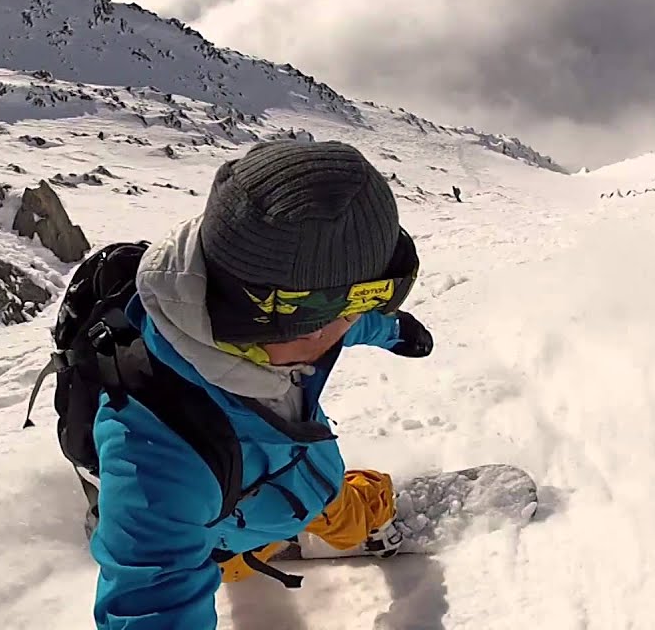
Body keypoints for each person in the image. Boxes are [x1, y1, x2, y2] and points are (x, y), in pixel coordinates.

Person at [88, 139, 434, 629]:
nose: (365, 316)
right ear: (307, 324)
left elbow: (341, 322)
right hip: (236, 515)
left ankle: (271, 535)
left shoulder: (260, 311)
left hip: (259, 497)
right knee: (348, 509)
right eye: (368, 302)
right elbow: (152, 604)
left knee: (267, 532)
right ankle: (365, 525)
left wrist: (395, 332)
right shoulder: (159, 464)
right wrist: (159, 537)